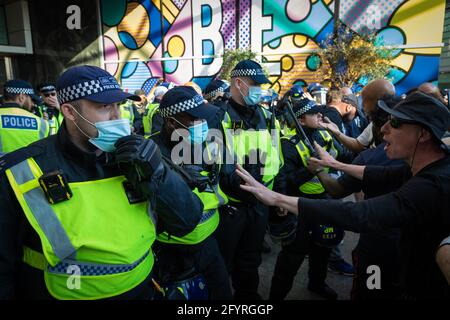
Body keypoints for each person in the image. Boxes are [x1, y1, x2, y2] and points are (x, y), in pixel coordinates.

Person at [0, 65, 203, 300]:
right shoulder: (21, 170)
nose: (118, 116)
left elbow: (187, 220)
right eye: (105, 106)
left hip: (143, 291)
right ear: (70, 112)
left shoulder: (138, 155)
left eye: (119, 105)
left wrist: (158, 172)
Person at [236, 92, 450, 299]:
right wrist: (335, 165)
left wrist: (276, 198)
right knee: (292, 259)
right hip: (402, 266)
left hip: (422, 282)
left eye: (395, 123)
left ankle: (317, 282)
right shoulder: (424, 166)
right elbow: (376, 172)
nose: (383, 129)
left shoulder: (432, 185)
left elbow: (360, 214)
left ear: (423, 134)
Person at [309, 96, 405, 300]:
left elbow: (336, 190)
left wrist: (319, 170)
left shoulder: (371, 158)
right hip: (411, 247)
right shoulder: (431, 153)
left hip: (378, 247)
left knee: (372, 290)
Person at [150, 86, 235, 300]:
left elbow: (227, 177)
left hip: (210, 244)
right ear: (171, 123)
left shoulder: (207, 143)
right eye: (196, 120)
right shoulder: (149, 153)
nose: (203, 126)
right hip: (171, 251)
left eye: (204, 120)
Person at [269, 94, 352, 300]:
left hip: (323, 201)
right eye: (313, 114)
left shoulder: (323, 136)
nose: (319, 116)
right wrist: (310, 170)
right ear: (302, 119)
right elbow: (285, 180)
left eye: (318, 112)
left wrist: (338, 145)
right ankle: (276, 296)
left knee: (322, 248)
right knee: (292, 256)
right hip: (300, 205)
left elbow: (344, 155)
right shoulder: (288, 143)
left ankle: (317, 283)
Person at [214, 59, 282, 300]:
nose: (260, 90)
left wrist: (276, 198)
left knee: (251, 259)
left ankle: (248, 297)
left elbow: (276, 157)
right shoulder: (219, 116)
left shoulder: (266, 114)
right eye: (256, 84)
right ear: (239, 83)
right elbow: (218, 166)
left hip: (260, 204)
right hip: (232, 207)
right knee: (224, 262)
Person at [320, 79, 395, 154]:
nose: (362, 105)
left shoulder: (400, 124)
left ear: (377, 101)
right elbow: (358, 144)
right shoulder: (374, 124)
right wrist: (338, 133)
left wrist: (337, 165)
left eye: (365, 100)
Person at [0, 80, 50, 154]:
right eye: (30, 99)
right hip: (31, 165)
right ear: (21, 97)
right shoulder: (41, 123)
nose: (32, 104)